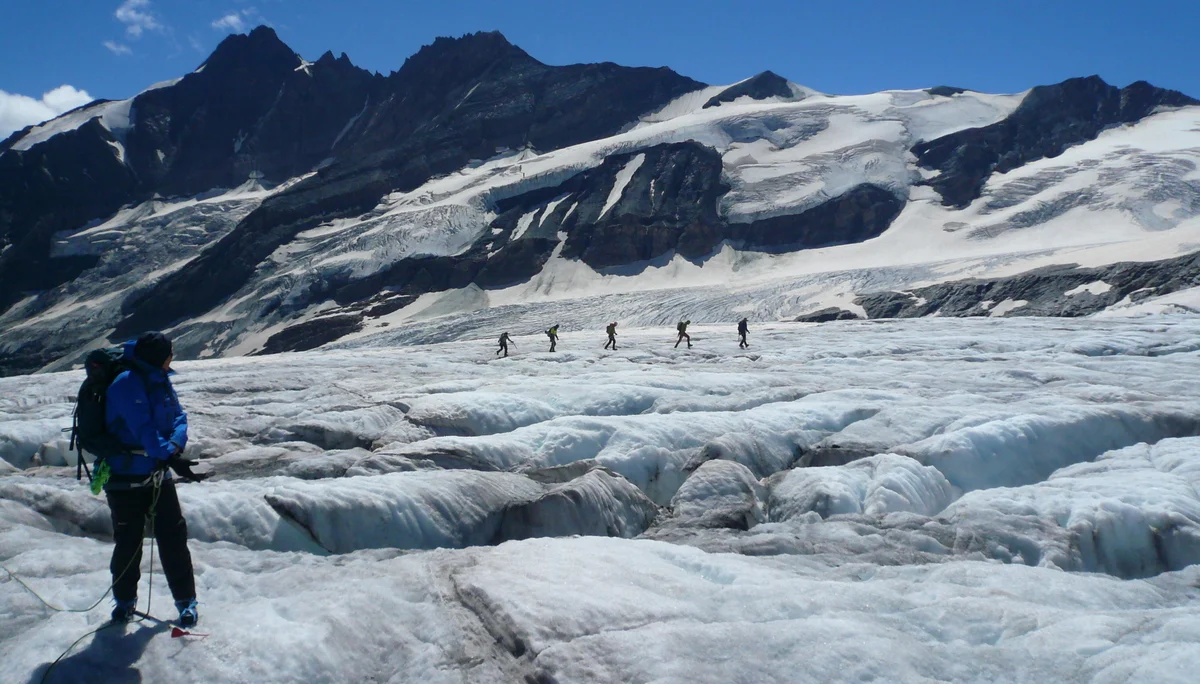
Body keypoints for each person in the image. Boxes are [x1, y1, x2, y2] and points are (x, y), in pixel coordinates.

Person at [104, 332, 206, 627]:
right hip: (126, 474)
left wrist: (173, 447)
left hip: (158, 471)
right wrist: (168, 453)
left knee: (173, 537)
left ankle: (186, 601)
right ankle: (124, 602)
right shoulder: (126, 384)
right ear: (157, 357)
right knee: (129, 542)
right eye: (168, 354)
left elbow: (178, 417)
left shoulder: (160, 379)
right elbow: (143, 430)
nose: (171, 358)